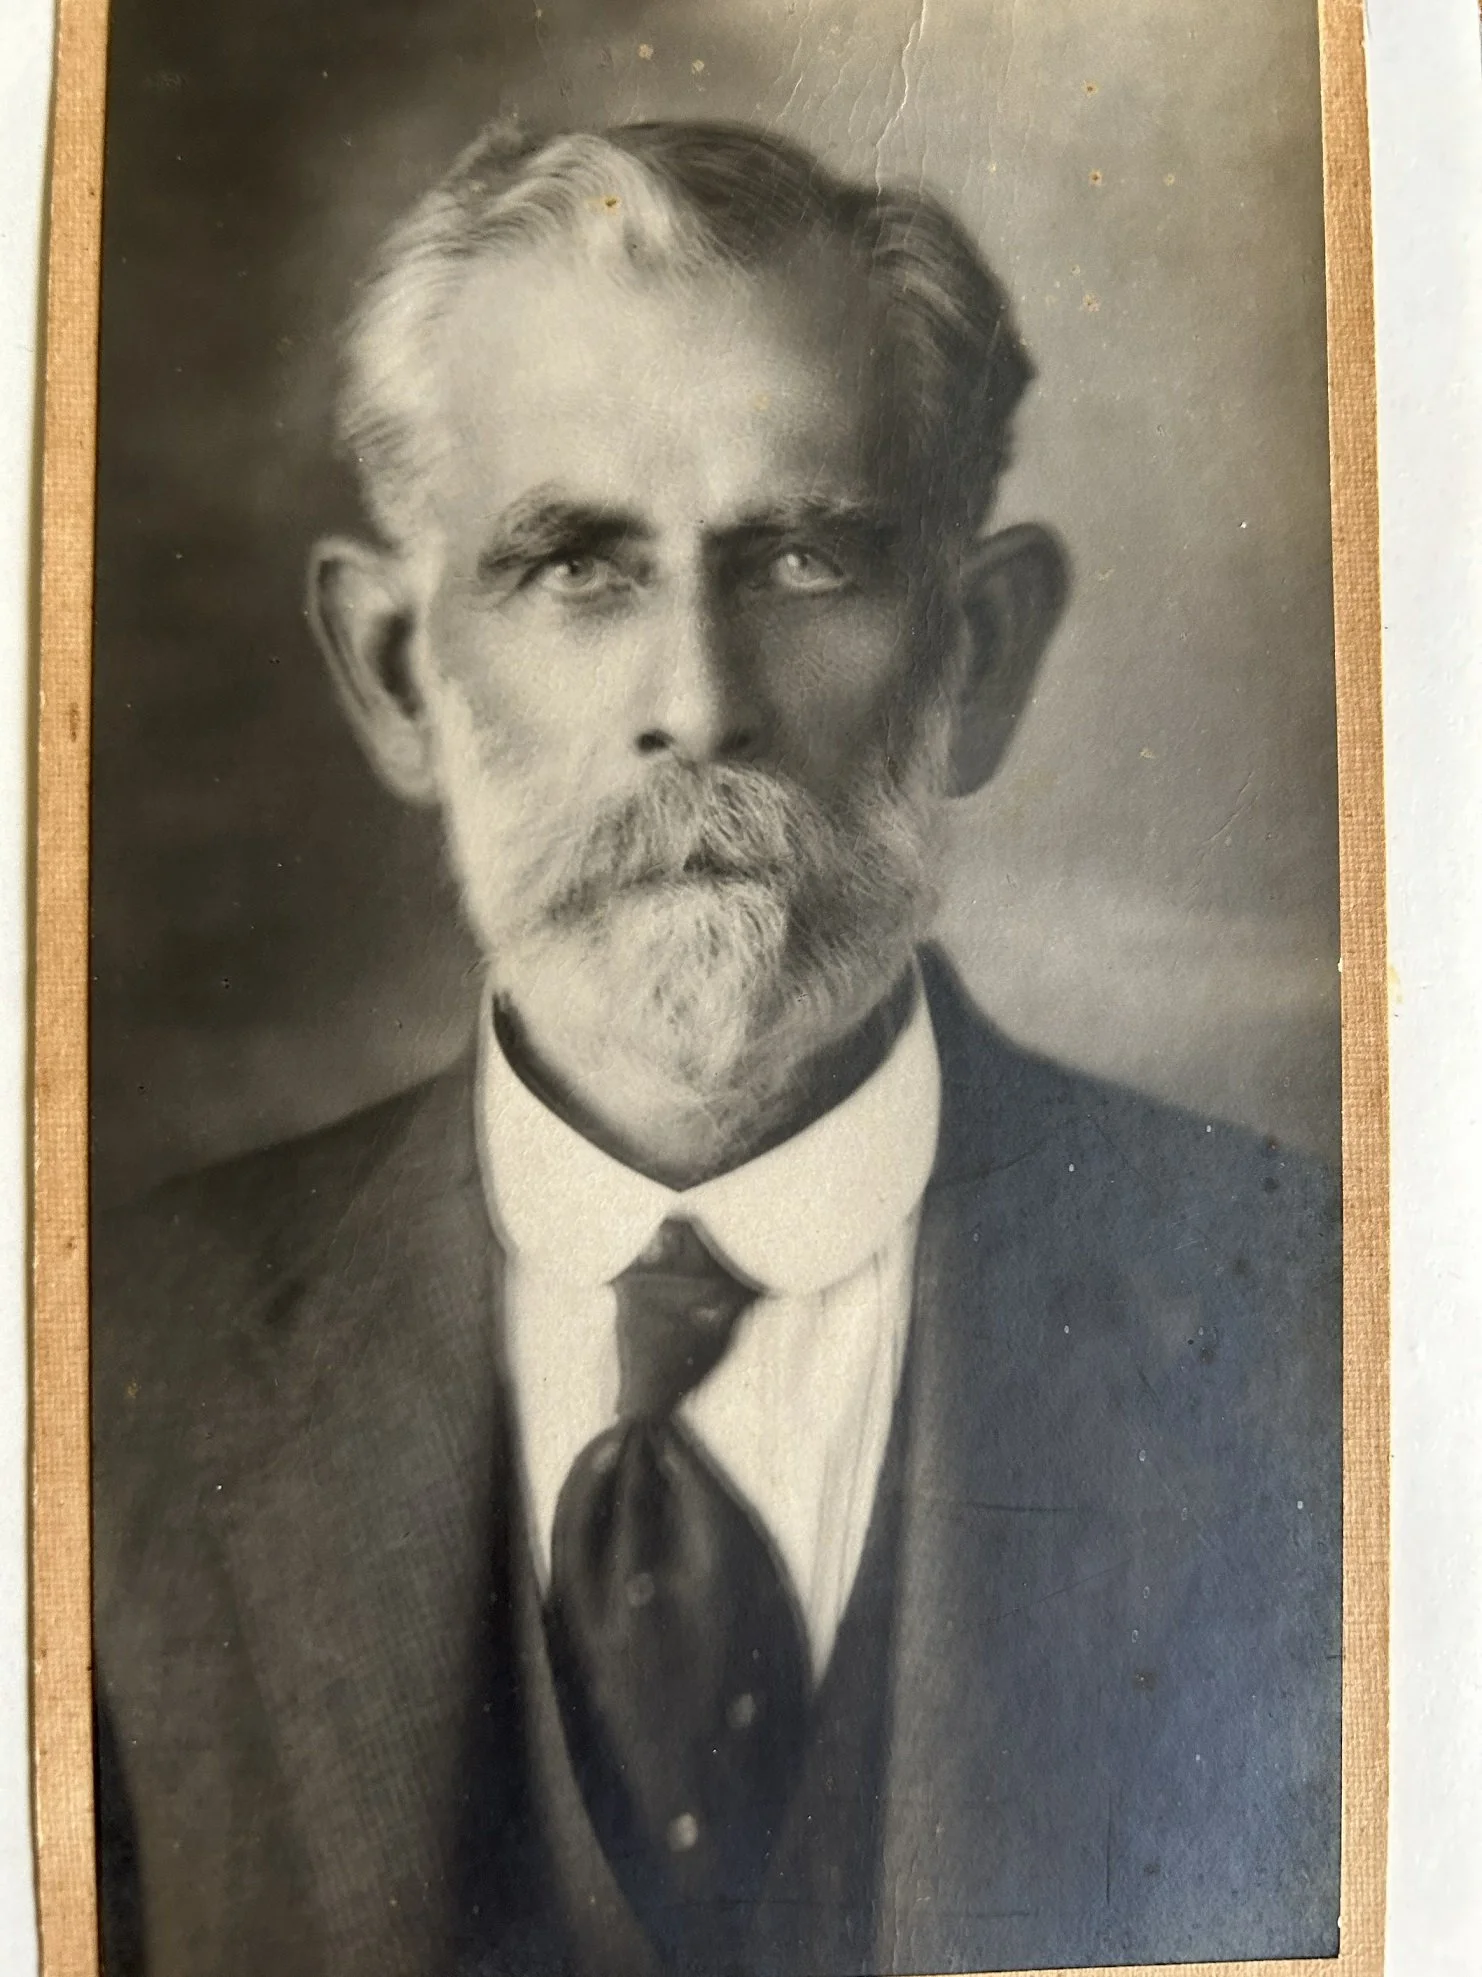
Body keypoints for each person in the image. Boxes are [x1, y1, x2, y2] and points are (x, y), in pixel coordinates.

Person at [92, 120, 1341, 1977]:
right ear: (395, 671)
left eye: (806, 559)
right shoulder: (98, 1370)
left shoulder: (1331, 1335)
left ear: (980, 655)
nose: (697, 701)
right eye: (574, 567)